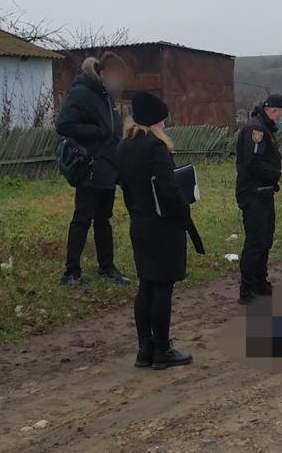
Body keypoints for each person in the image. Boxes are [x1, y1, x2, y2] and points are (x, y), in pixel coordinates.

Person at [116, 92, 194, 369]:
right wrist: (183, 213)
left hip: (140, 223)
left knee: (146, 285)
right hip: (163, 226)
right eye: (161, 121)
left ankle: (144, 349)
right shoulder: (155, 147)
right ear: (153, 121)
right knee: (162, 287)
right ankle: (162, 350)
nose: (164, 125)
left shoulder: (124, 146)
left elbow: (125, 188)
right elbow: (168, 188)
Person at [56, 52, 131, 288]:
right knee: (82, 220)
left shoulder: (106, 97)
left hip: (108, 168)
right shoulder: (82, 92)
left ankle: (107, 267)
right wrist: (98, 132)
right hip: (89, 167)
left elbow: (113, 131)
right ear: (102, 73)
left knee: (103, 220)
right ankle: (71, 273)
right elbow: (64, 125)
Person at [235, 94, 282, 304]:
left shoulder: (264, 128)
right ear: (274, 110)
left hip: (264, 192)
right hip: (253, 193)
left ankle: (260, 283)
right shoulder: (256, 130)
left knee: (265, 240)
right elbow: (253, 163)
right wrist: (278, 174)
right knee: (256, 241)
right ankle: (248, 289)